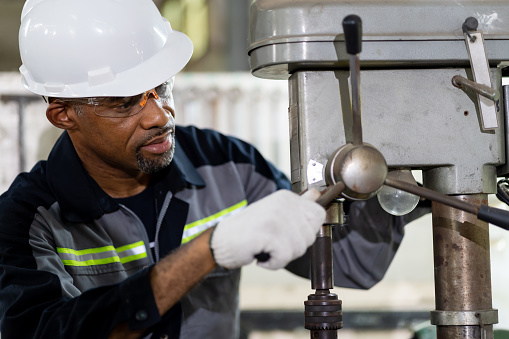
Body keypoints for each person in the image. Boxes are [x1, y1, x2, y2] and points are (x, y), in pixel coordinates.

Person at [0, 0, 429, 338]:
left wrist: (400, 176)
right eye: (126, 102)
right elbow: (46, 329)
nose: (159, 115)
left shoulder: (228, 166)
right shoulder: (24, 221)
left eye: (161, 87)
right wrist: (208, 251)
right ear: (63, 115)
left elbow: (352, 263)